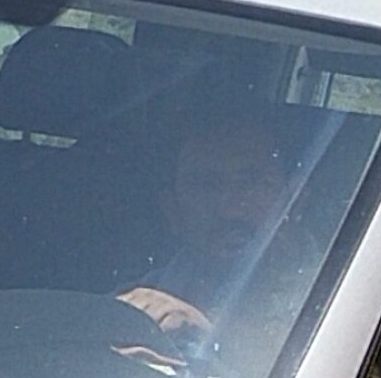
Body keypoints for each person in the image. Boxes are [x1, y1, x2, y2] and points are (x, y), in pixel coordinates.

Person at [116, 114, 312, 345]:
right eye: (205, 186)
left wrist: (206, 335)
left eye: (252, 182)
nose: (230, 210)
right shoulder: (132, 309)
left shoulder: (348, 297)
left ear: (296, 200)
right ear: (173, 211)